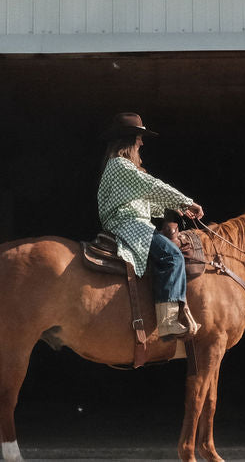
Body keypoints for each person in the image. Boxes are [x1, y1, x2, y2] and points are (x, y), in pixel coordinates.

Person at [97, 112, 204, 339]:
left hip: (128, 221)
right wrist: (186, 201)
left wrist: (178, 208)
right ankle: (167, 322)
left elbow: (145, 201)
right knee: (172, 255)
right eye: (139, 138)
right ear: (130, 140)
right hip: (127, 224)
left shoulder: (118, 168)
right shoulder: (120, 166)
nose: (142, 143)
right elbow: (152, 186)